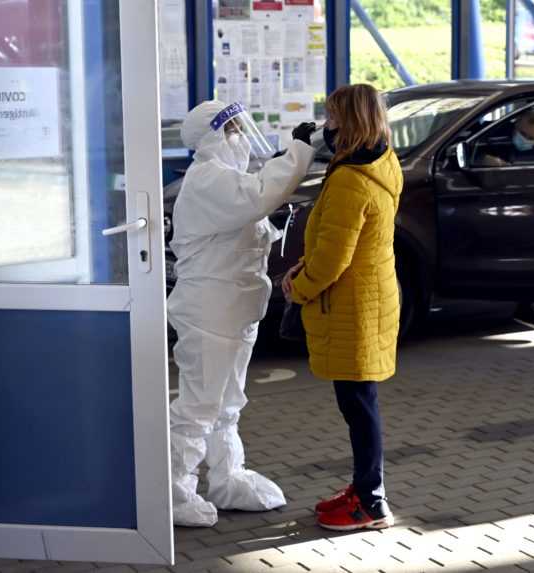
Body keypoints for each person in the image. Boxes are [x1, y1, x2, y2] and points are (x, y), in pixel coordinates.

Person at [167, 99, 316, 526]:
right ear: (211, 136)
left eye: (238, 126)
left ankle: (226, 477)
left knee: (227, 402)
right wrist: (298, 152)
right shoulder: (208, 179)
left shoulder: (227, 179)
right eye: (231, 128)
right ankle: (175, 490)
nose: (239, 136)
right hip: (210, 312)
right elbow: (257, 195)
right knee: (200, 403)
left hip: (234, 308)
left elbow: (250, 226)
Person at [282, 84, 403, 531]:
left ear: (350, 123)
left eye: (333, 119)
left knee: (359, 405)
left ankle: (371, 503)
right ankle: (364, 487)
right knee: (360, 401)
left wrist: (300, 286)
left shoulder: (352, 180)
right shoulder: (381, 160)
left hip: (353, 304)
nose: (326, 127)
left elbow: (335, 258)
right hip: (371, 295)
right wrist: (306, 264)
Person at [483, 109, 534, 331]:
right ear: (516, 126)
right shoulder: (496, 135)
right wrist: (488, 162)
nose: (528, 142)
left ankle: (528, 305)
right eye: (525, 135)